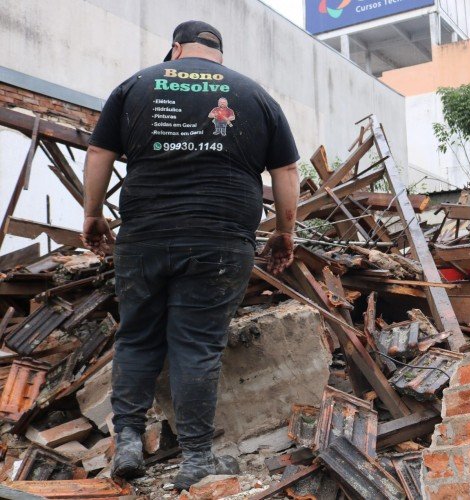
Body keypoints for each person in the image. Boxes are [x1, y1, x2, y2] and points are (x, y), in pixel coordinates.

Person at [81, 20, 299, 491]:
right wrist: (284, 231)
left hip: (145, 236)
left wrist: (93, 215)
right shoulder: (255, 95)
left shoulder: (137, 85)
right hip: (220, 241)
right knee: (197, 345)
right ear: (219, 54)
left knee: (138, 336)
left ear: (175, 49)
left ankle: (130, 443)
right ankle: (197, 459)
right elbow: (284, 169)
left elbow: (99, 152)